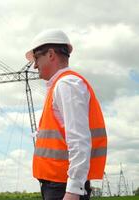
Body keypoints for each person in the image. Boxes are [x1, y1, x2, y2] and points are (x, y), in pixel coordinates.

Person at [25, 29, 107, 200]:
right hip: (57, 184)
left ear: (50, 54)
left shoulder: (67, 85)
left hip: (63, 187)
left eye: (36, 58)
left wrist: (73, 190)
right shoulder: (61, 85)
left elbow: (79, 140)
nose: (34, 65)